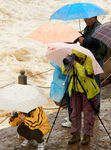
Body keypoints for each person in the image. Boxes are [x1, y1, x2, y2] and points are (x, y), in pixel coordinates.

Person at [61, 49, 100, 145]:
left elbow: (86, 73)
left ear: (81, 57)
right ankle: (75, 134)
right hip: (75, 89)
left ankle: (87, 135)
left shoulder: (88, 59)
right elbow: (64, 72)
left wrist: (76, 64)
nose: (76, 59)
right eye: (75, 57)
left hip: (88, 90)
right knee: (75, 112)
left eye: (78, 58)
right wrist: (66, 61)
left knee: (88, 113)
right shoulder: (73, 59)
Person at [78, 16, 108, 113]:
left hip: (97, 59)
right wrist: (81, 35)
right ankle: (90, 105)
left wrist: (84, 41)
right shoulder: (89, 27)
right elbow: (88, 37)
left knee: (95, 83)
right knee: (89, 82)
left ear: (94, 18)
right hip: (89, 59)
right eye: (84, 19)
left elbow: (96, 43)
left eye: (87, 19)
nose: (85, 21)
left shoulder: (98, 28)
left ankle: (96, 107)